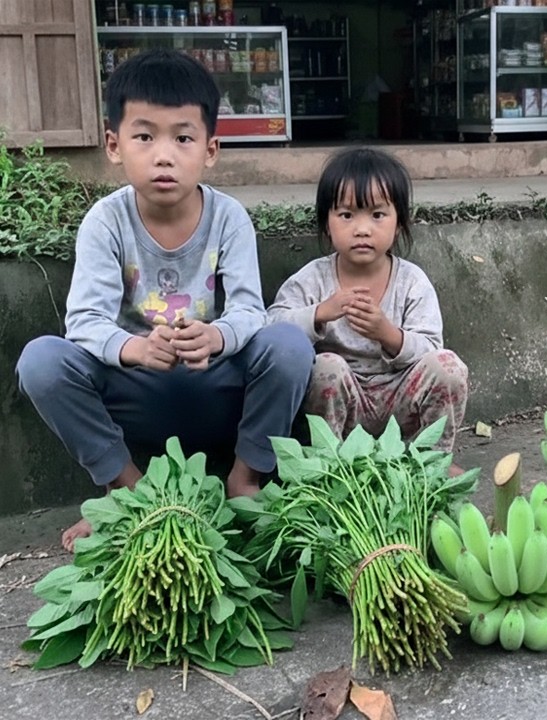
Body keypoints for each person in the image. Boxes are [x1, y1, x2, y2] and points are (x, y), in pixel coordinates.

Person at [14, 48, 314, 552]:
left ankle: (245, 478)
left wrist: (217, 336)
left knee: (288, 344)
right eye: (144, 136)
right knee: (41, 361)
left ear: (210, 149)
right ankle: (125, 490)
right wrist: (134, 350)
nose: (164, 154)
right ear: (114, 145)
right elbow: (84, 322)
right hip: (137, 393)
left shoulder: (229, 218)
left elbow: (249, 312)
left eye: (182, 137)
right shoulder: (105, 222)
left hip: (214, 388)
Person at [267, 147, 469, 452]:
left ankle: (430, 462)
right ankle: (330, 466)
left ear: (399, 223)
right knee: (326, 368)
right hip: (342, 407)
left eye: (377, 215)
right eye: (346, 215)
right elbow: (271, 329)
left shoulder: (411, 281)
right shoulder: (313, 279)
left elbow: (431, 347)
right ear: (326, 223)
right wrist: (320, 313)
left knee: (449, 367)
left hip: (399, 400)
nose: (362, 229)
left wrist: (387, 333)